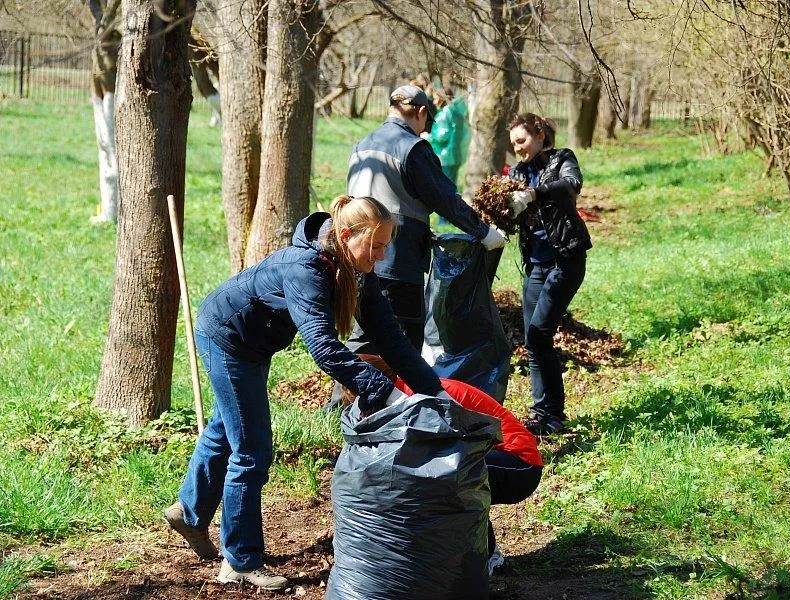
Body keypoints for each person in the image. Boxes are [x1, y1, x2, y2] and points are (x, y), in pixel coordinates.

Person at [164, 196, 453, 590]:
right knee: (250, 450)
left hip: (254, 341)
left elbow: (391, 340)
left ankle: (189, 512)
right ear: (347, 235)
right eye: (377, 245)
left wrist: (434, 393)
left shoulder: (355, 268)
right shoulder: (307, 269)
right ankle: (240, 562)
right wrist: (381, 390)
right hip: (228, 339)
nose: (383, 255)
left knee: (226, 428)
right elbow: (323, 347)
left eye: (387, 245)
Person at [344, 84, 505, 356]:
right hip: (396, 258)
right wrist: (483, 231)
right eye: (425, 119)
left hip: (357, 254)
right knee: (404, 340)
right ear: (420, 111)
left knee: (365, 335)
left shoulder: (362, 145)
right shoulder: (412, 147)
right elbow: (444, 199)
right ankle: (402, 398)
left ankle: (344, 399)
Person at [354, 354, 544, 576]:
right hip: (491, 457)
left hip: (519, 463)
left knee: (450, 478)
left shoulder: (414, 396)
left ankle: (487, 558)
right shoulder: (403, 392)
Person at [505, 113, 592, 436]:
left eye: (522, 141)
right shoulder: (516, 172)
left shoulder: (561, 160)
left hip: (565, 259)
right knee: (533, 339)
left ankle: (552, 413)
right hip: (536, 265)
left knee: (539, 333)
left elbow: (572, 185)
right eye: (514, 144)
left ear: (540, 135)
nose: (518, 149)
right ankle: (542, 413)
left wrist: (535, 194)